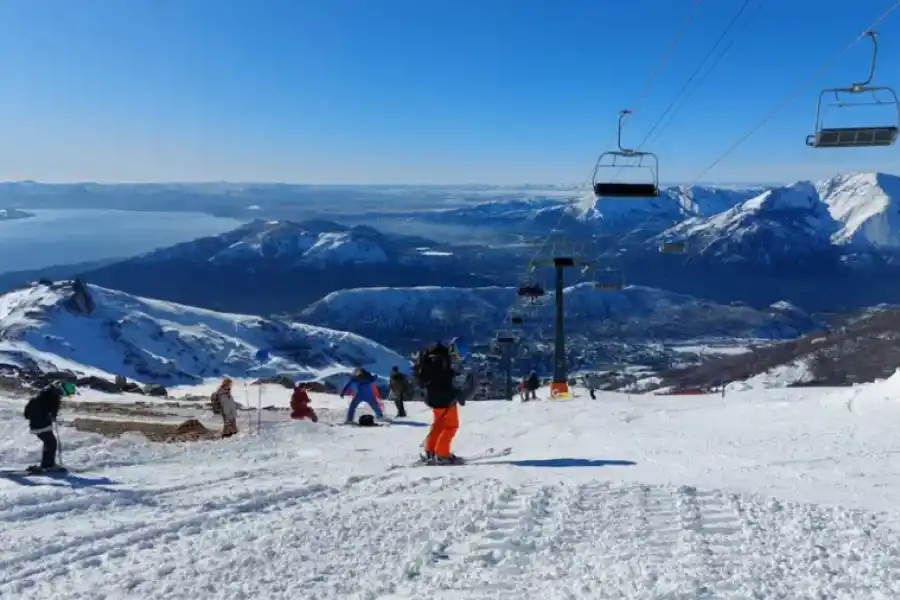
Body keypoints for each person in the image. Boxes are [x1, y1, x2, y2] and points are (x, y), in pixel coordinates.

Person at [416, 341, 464, 464]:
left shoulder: (431, 357)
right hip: (444, 398)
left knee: (439, 425)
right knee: (451, 426)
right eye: (457, 355)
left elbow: (436, 377)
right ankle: (442, 454)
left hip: (432, 397)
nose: (457, 358)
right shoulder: (441, 359)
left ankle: (430, 451)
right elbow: (442, 380)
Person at [23, 381, 76, 473]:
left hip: (35, 423)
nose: (63, 396)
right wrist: (53, 416)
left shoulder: (45, 393)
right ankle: (48, 465)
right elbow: (52, 409)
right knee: (51, 442)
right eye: (65, 394)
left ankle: (47, 464)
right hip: (42, 423)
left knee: (49, 442)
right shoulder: (53, 396)